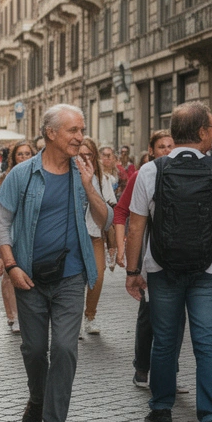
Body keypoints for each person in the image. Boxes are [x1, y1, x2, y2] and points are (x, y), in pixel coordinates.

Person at [124, 102, 212, 422]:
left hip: (162, 268)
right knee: (206, 344)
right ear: (204, 132)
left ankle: (161, 409)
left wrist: (133, 271)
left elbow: (136, 226)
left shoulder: (150, 171)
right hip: (210, 268)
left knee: (164, 341)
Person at [0, 105, 111, 422]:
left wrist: (89, 186)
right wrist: (11, 266)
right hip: (28, 276)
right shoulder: (22, 175)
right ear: (51, 133)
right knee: (33, 350)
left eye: (82, 130)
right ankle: (37, 397)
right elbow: (1, 222)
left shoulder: (84, 172)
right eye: (73, 130)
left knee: (64, 347)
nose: (80, 137)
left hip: (71, 276)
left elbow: (104, 220)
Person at [113, 130, 175, 388]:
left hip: (178, 256)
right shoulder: (141, 175)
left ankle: (168, 373)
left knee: (175, 318)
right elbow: (120, 212)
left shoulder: (184, 173)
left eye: (171, 146)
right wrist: (121, 249)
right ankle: (142, 367)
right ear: (151, 151)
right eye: (162, 147)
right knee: (149, 312)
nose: (168, 151)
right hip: (148, 253)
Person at [0, 141, 35, 335]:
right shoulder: (5, 179)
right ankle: (14, 316)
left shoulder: (39, 177)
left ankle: (27, 314)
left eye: (27, 154)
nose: (24, 157)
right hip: (10, 232)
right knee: (9, 274)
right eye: (20, 154)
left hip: (30, 233)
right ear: (13, 157)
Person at [78, 137, 118, 337]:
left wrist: (113, 244)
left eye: (89, 155)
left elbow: (111, 211)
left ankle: (90, 316)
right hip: (73, 235)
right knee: (75, 279)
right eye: (81, 155)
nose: (85, 159)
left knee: (97, 277)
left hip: (94, 233)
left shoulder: (102, 179)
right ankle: (74, 320)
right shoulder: (67, 174)